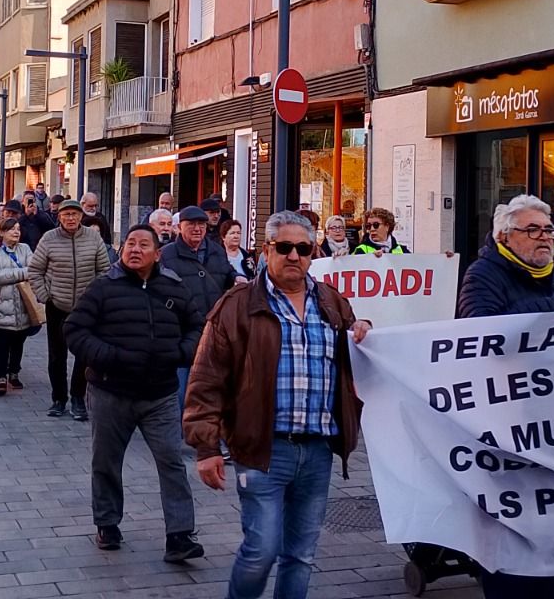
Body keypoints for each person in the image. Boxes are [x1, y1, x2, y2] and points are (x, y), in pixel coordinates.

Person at [185, 210, 372, 599]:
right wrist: (206, 447)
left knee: (300, 555)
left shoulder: (332, 302)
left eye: (303, 249)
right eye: (284, 247)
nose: (294, 256)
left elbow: (357, 351)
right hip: (263, 448)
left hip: (318, 449)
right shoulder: (237, 305)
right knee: (261, 551)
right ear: (266, 251)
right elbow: (206, 378)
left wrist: (364, 328)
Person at [454, 194, 554, 598]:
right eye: (532, 230)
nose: (544, 237)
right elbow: (479, 331)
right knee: (510, 531)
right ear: (504, 236)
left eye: (548, 230)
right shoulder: (484, 274)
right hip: (505, 423)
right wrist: (553, 306)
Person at [66, 225, 205, 563]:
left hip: (160, 394)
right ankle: (107, 523)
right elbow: (74, 330)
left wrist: (180, 353)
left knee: (171, 461)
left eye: (144, 245)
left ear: (157, 254)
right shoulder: (103, 287)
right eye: (130, 243)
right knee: (106, 461)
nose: (135, 249)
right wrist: (109, 356)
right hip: (110, 391)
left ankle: (180, 535)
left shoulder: (174, 287)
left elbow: (198, 327)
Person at [28, 199, 111, 421]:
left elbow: (104, 270)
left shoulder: (93, 238)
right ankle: (58, 398)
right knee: (57, 355)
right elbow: (35, 270)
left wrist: (95, 297)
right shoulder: (49, 238)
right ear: (59, 217)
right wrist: (45, 295)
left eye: (75, 214)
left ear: (81, 216)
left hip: (86, 308)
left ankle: (77, 397)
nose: (71, 218)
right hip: (57, 305)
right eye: (66, 215)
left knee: (84, 355)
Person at [161, 206, 237, 403]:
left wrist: (237, 278)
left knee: (210, 390)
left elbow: (226, 273)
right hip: (181, 333)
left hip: (213, 330)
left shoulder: (217, 250)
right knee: (180, 392)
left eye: (201, 224)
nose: (197, 229)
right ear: (179, 227)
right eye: (191, 224)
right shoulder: (166, 255)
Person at [0, 216, 36, 395]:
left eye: (18, 229)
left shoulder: (25, 249)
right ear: (2, 232)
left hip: (23, 304)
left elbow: (34, 270)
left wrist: (10, 274)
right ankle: (0, 376)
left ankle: (14, 371)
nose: (16, 232)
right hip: (1, 306)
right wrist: (22, 273)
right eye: (12, 229)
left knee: (18, 341)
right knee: (2, 343)